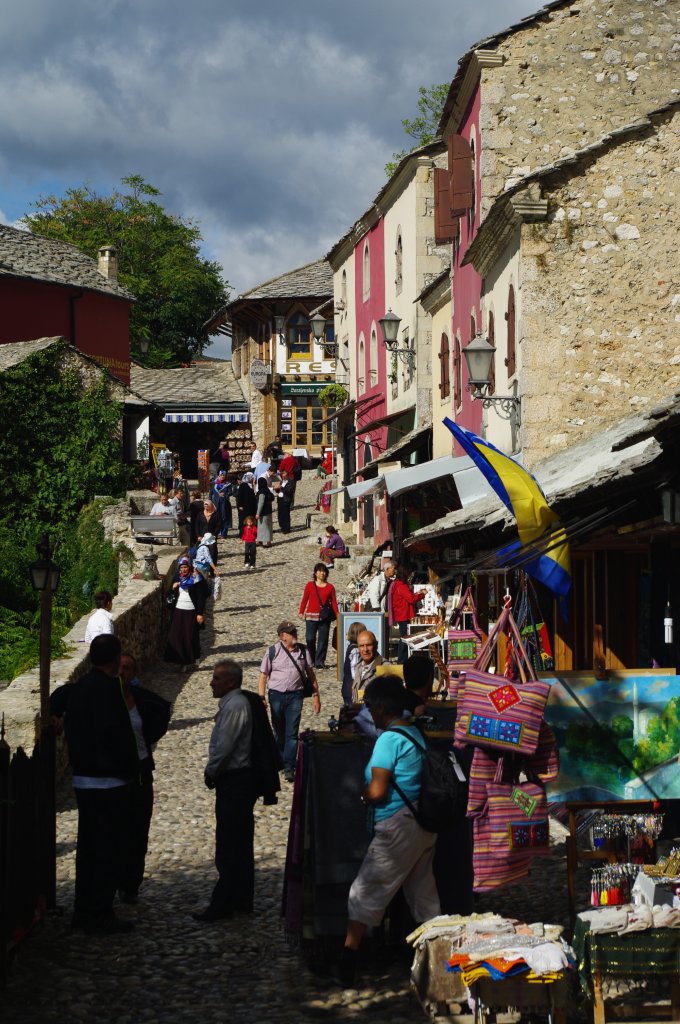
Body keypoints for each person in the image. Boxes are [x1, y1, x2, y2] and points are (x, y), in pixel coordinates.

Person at [337, 674, 441, 987]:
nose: (369, 712)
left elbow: (379, 789)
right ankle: (441, 965)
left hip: (396, 826)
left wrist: (363, 794)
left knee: (364, 892)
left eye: (369, 706)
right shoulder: (414, 733)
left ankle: (347, 963)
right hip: (420, 826)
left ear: (382, 707)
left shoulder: (388, 740)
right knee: (424, 899)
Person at [50, 635, 139, 934]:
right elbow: (115, 736)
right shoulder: (107, 691)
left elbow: (57, 699)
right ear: (115, 660)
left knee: (89, 849)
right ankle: (99, 911)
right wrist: (131, 770)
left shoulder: (80, 688)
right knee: (106, 850)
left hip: (83, 780)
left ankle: (83, 908)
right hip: (108, 781)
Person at [193, 660, 281, 923]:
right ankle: (241, 898)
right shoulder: (236, 704)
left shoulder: (235, 706)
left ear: (231, 681)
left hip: (235, 781)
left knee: (230, 843)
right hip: (239, 781)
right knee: (239, 841)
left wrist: (211, 771)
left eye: (217, 678)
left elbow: (225, 746)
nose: (212, 682)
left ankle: (224, 902)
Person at [117, 653, 171, 904]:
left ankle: (130, 884)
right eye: (119, 667)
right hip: (112, 775)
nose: (122, 672)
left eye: (127, 668)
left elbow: (161, 710)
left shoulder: (141, 700)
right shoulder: (102, 700)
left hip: (140, 771)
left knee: (138, 829)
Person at [258, 621, 321, 782]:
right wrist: (262, 697)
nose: (295, 635)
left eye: (295, 632)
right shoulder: (272, 651)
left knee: (291, 733)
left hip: (296, 696)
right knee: (279, 732)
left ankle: (289, 766)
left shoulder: (303, 651)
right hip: (276, 696)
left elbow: (310, 674)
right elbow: (263, 675)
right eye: (291, 633)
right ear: (282, 636)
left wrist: (316, 696)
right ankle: (280, 760)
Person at [164, 557, 210, 671]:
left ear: (189, 567)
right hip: (178, 609)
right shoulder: (178, 577)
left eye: (185, 567)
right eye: (182, 567)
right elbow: (170, 592)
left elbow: (201, 597)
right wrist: (174, 587)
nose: (183, 570)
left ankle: (189, 661)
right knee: (176, 635)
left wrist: (199, 613)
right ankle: (180, 660)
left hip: (191, 610)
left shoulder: (196, 577)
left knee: (189, 636)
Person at [298, 562, 339, 669]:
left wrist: (338, 615)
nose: (322, 573)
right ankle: (311, 658)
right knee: (310, 638)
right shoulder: (310, 585)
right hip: (311, 616)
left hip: (324, 618)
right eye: (320, 571)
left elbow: (334, 602)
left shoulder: (330, 587)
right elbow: (305, 599)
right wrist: (301, 611)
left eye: (324, 571)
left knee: (323, 640)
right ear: (315, 573)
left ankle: (320, 661)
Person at [388, 565, 428, 664]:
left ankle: (403, 659)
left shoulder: (398, 584)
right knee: (404, 638)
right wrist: (422, 594)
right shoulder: (401, 585)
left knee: (404, 637)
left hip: (402, 613)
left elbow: (408, 597)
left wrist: (417, 594)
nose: (410, 576)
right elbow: (411, 599)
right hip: (403, 614)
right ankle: (402, 660)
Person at [342, 621, 366, 706]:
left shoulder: (351, 646)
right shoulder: (355, 650)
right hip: (352, 690)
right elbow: (355, 671)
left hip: (348, 688)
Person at [195, 499, 219, 566]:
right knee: (202, 553)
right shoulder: (200, 514)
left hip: (212, 537)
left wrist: (214, 534)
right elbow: (197, 525)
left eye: (207, 504)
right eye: (205, 505)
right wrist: (198, 535)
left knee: (213, 553)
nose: (206, 506)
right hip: (202, 537)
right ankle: (204, 570)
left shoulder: (215, 515)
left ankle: (212, 570)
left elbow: (218, 525)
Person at [256, 471, 274, 547]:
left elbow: (261, 503)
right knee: (265, 527)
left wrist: (258, 513)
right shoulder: (267, 491)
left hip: (263, 512)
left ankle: (267, 542)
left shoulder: (261, 492)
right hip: (269, 511)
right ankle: (260, 540)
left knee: (264, 527)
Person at [275, 470, 294, 534]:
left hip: (286, 499)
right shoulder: (281, 481)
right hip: (280, 499)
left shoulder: (290, 482)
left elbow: (289, 491)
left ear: (287, 474)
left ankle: (286, 528)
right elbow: (278, 491)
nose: (283, 475)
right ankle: (282, 527)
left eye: (284, 473)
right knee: (280, 514)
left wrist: (281, 487)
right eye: (282, 474)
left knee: (285, 514)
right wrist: (277, 488)